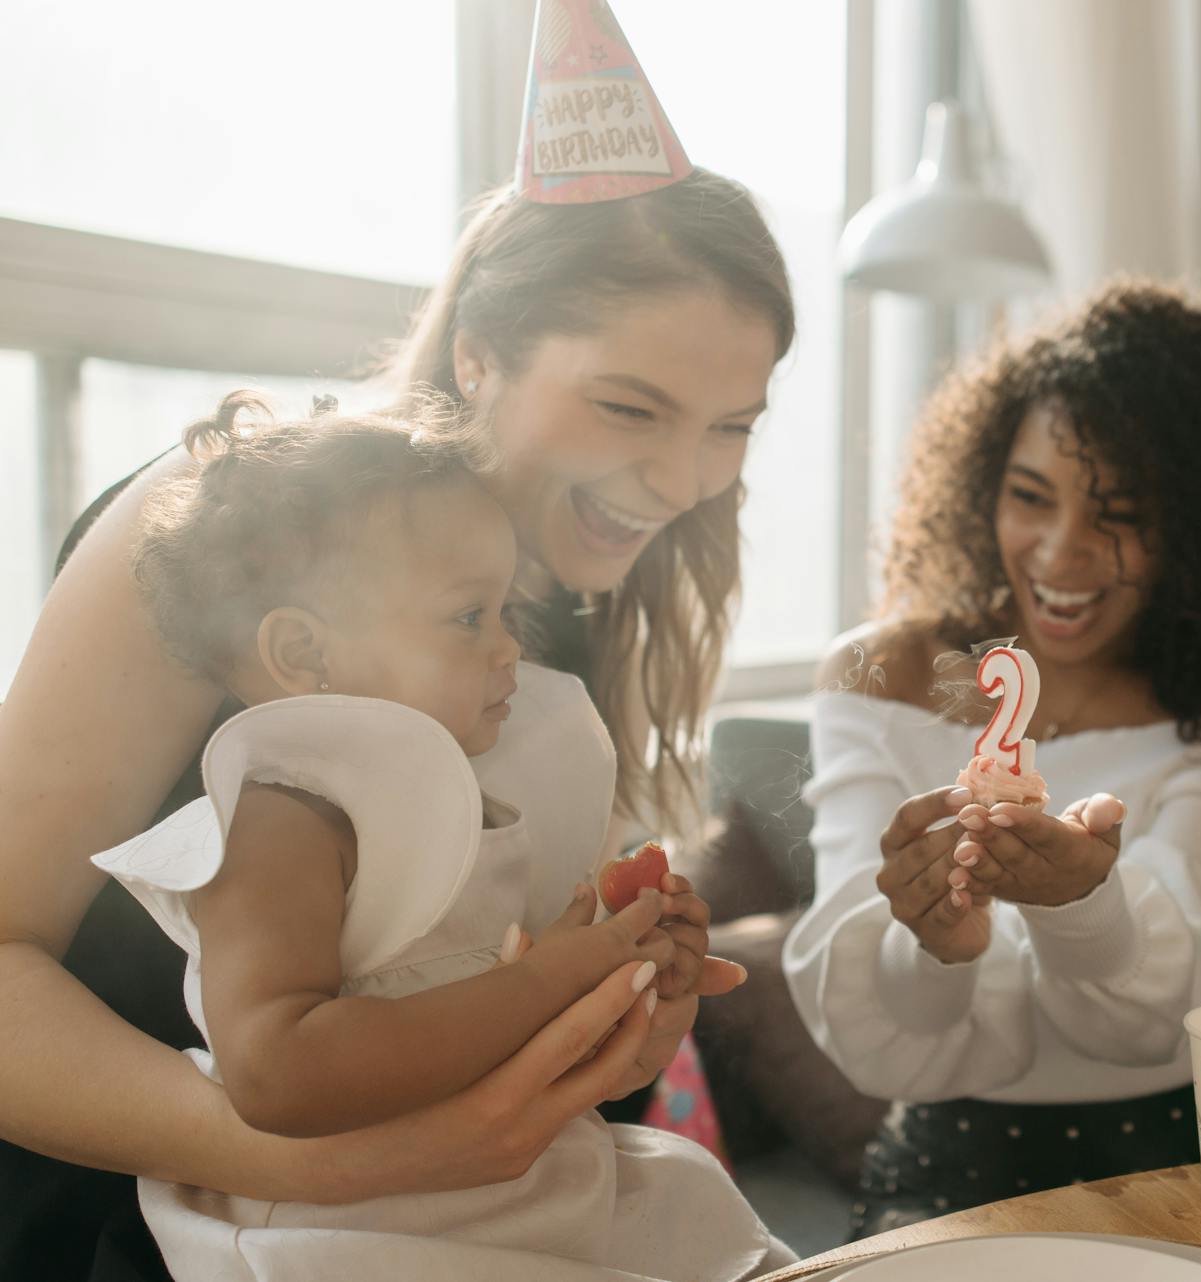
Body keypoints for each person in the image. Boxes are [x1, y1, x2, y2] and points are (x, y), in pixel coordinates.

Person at [0, 4, 796, 1268]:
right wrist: (321, 1157)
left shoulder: (556, 633)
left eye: (731, 425)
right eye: (631, 405)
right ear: (479, 355)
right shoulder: (227, 530)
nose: (685, 478)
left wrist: (620, 1022)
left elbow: (466, 1026)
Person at [89, 393, 790, 1279]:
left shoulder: (481, 801)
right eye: (469, 619)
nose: (507, 652)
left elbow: (541, 1066)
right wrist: (551, 976)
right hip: (353, 1232)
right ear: (305, 656)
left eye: (507, 617)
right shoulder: (282, 819)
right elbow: (278, 1073)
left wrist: (632, 989)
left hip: (503, 1195)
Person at [783, 280, 1201, 1236]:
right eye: (1029, 496)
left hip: (1166, 1150)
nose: (1060, 553)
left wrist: (1085, 904)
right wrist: (940, 943)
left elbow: (1146, 1018)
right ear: (982, 488)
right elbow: (872, 1037)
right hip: (942, 1159)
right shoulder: (877, 675)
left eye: (1120, 513)